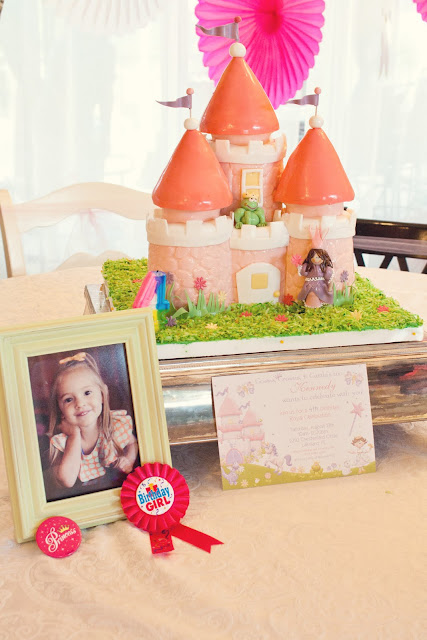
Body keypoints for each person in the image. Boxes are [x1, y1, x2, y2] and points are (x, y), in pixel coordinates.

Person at [47, 351, 138, 493]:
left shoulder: (115, 425)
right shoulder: (63, 441)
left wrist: (129, 459)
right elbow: (67, 480)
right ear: (60, 408)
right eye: (68, 399)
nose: (80, 403)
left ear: (102, 394)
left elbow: (132, 442)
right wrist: (74, 435)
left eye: (87, 393)